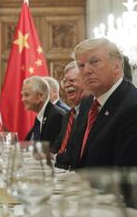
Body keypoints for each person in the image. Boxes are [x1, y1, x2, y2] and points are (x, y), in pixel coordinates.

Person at [72, 37, 137, 167]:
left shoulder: (132, 106)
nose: (86, 70)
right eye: (81, 65)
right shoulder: (87, 103)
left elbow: (125, 173)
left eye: (94, 62)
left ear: (116, 67)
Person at [50, 61, 92, 169]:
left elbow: (78, 152)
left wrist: (54, 158)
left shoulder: (92, 113)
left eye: (72, 80)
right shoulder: (69, 115)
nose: (67, 85)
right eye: (65, 81)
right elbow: (57, 145)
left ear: (87, 82)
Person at [22, 76, 65, 146]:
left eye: (26, 95)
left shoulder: (56, 116)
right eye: (22, 95)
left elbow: (52, 150)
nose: (23, 99)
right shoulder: (40, 117)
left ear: (40, 96)